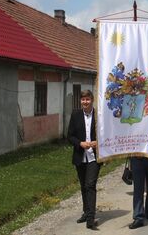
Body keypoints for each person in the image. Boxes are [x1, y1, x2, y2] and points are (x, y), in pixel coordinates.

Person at [67, 90, 100, 230]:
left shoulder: (98, 116)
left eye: (87, 99)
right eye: (83, 99)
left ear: (92, 100)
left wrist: (97, 142)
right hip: (80, 156)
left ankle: (91, 219)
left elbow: (105, 134)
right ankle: (86, 212)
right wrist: (80, 143)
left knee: (90, 185)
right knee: (83, 186)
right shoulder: (75, 115)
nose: (85, 102)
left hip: (94, 157)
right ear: (80, 101)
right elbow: (70, 136)